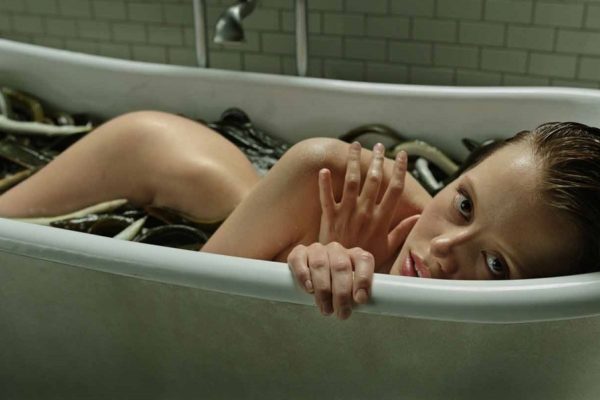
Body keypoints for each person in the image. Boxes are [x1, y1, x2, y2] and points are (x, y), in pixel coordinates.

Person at [0, 111, 599, 320]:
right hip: (159, 157)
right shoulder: (330, 172)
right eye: (464, 203)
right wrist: (300, 257)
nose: (443, 249)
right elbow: (186, 309)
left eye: (495, 264)